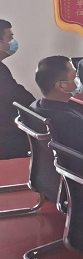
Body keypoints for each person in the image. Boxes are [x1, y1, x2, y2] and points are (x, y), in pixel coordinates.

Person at [30, 56, 83, 151]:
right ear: (61, 85)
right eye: (74, 77)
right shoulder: (71, 122)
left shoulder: (36, 105)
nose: (78, 80)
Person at [0, 19, 35, 159]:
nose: (13, 42)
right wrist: (38, 106)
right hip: (6, 134)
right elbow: (16, 95)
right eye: (10, 37)